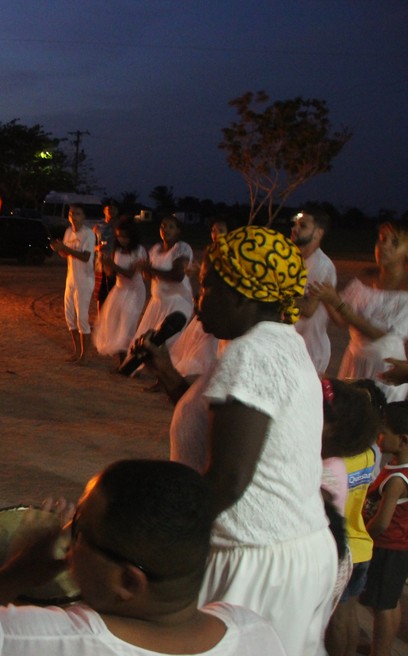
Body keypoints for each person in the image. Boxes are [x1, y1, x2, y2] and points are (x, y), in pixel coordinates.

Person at [140, 226, 336, 656]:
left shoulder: (253, 355)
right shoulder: (275, 343)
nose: (198, 296)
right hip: (288, 549)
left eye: (208, 286)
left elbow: (228, 478)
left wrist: (151, 537)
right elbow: (224, 430)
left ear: (245, 296)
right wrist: (170, 376)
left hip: (256, 558)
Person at [0, 459, 286, 656]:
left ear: (129, 581)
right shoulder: (257, 634)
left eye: (78, 533)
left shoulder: (23, 637)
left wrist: (15, 574)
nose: (66, 544)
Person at [310, 220, 408, 402]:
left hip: (386, 367)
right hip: (354, 359)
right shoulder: (365, 278)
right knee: (348, 417)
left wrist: (336, 302)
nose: (383, 246)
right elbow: (341, 321)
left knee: (378, 420)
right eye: (381, 239)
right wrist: (324, 297)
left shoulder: (405, 291)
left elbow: (378, 333)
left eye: (394, 243)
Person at [323, 379, 385, 656]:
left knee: (335, 623)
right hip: (361, 545)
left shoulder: (333, 464)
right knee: (348, 619)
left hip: (340, 548)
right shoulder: (368, 455)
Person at [360, 402, 408, 656]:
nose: (379, 437)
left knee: (383, 606)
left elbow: (382, 521)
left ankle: (380, 651)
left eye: (383, 432)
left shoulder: (398, 480)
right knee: (390, 601)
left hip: (389, 548)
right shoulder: (399, 470)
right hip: (397, 549)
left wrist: (364, 534)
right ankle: (382, 647)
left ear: (402, 440)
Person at [168, 218, 230, 379]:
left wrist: (199, 275)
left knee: (205, 351)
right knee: (189, 347)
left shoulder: (230, 256)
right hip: (206, 304)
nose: (216, 235)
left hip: (220, 308)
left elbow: (224, 282)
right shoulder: (209, 252)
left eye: (221, 231)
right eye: (214, 231)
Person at [131, 215, 194, 351]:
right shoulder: (155, 249)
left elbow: (177, 276)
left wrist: (151, 269)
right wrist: (143, 268)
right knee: (144, 340)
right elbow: (149, 276)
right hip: (157, 302)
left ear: (178, 231)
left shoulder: (182, 248)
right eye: (163, 226)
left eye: (171, 227)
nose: (166, 230)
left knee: (167, 344)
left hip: (177, 302)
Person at [93, 220, 147, 361]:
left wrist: (113, 266)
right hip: (119, 289)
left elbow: (131, 274)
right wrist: (105, 264)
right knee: (113, 324)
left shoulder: (139, 250)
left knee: (127, 327)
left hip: (134, 291)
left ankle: (131, 361)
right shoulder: (116, 250)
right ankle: (123, 361)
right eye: (119, 236)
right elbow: (111, 274)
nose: (122, 239)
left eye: (125, 236)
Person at [292, 210, 337, 375]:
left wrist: (274, 292)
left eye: (302, 226)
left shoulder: (321, 265)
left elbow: (309, 309)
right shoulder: (295, 259)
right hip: (293, 346)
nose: (295, 229)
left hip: (310, 349)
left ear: (318, 233)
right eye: (296, 224)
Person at [50, 204, 95, 363]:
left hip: (84, 280)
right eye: (71, 213)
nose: (73, 216)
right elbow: (65, 253)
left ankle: (84, 355)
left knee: (82, 318)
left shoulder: (88, 234)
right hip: (71, 279)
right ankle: (77, 352)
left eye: (77, 213)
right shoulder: (69, 232)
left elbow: (85, 257)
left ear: (83, 216)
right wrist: (59, 249)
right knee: (70, 318)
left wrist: (65, 249)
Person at [94, 204, 118, 309]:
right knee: (100, 293)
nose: (111, 211)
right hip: (100, 262)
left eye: (113, 208)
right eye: (109, 209)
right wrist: (97, 248)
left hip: (115, 262)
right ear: (104, 211)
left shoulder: (119, 226)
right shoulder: (98, 226)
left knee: (114, 293)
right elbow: (90, 244)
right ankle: (100, 319)